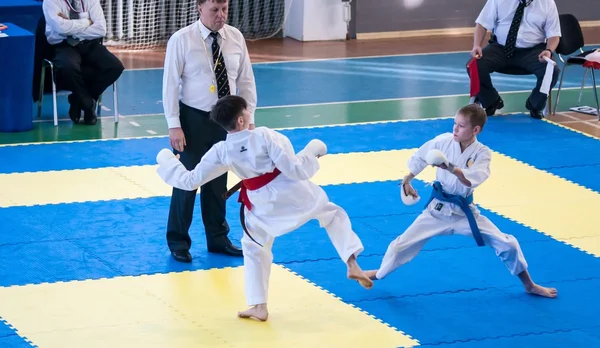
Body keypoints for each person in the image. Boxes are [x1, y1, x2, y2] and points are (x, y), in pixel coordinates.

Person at [155, 95, 373, 321]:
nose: (250, 113)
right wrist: (314, 150)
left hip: (260, 204)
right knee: (332, 214)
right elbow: (297, 170)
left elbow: (191, 181)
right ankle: (352, 262)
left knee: (253, 247)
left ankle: (259, 306)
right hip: (291, 193)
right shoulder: (265, 136)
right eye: (247, 111)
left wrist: (166, 160)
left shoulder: (222, 150)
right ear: (240, 120)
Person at [365, 104, 558, 299]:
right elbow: (421, 158)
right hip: (436, 211)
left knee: (509, 245)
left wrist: (449, 167)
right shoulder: (443, 141)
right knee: (399, 246)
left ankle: (529, 284)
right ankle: (379, 274)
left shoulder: (482, 153)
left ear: (476, 130)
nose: (455, 129)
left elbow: (470, 179)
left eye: (461, 126)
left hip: (464, 213)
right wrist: (407, 180)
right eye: (455, 123)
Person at [162, 0, 257, 262]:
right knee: (187, 181)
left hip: (227, 120)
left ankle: (217, 237)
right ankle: (178, 241)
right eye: (215, 10)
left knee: (218, 181)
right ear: (199, 8)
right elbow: (170, 84)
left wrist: (248, 120)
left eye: (224, 8)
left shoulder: (235, 37)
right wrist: (174, 124)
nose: (221, 15)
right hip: (192, 119)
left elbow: (246, 80)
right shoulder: (181, 40)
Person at [469, 0, 561, 119]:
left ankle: (535, 105)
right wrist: (477, 45)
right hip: (500, 48)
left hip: (533, 51)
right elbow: (482, 24)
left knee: (552, 70)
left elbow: (554, 34)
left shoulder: (547, 3)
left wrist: (549, 50)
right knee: (475, 65)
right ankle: (492, 101)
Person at [42, 0, 124, 125]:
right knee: (67, 67)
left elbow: (101, 29)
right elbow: (60, 28)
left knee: (115, 67)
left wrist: (69, 26)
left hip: (89, 43)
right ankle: (88, 103)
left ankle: (78, 99)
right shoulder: (51, 1)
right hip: (63, 45)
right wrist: (86, 22)